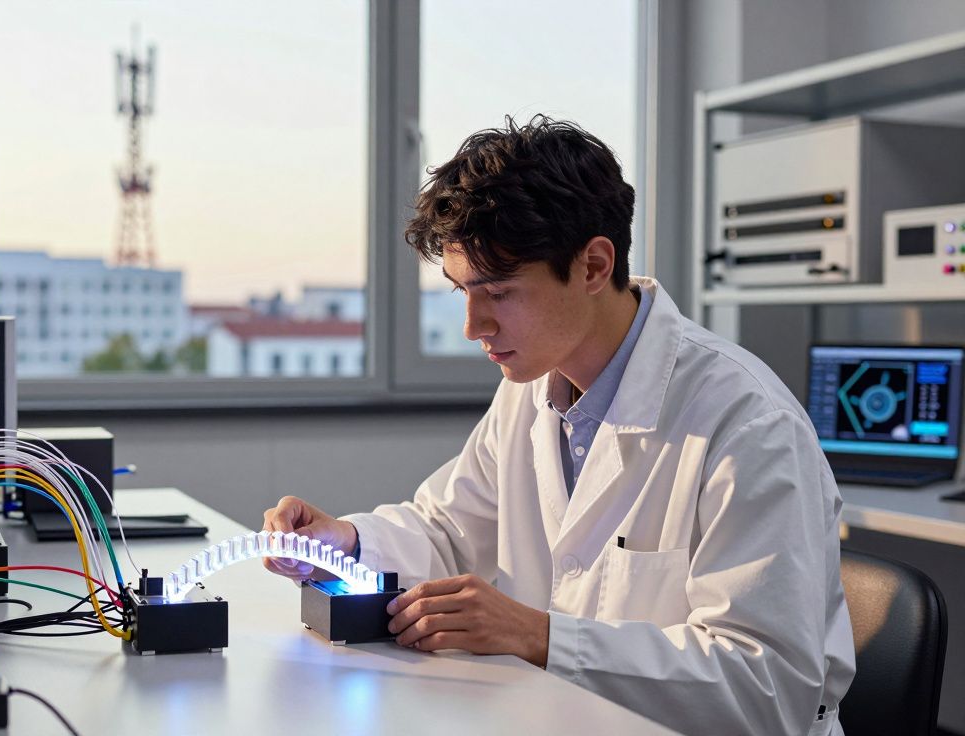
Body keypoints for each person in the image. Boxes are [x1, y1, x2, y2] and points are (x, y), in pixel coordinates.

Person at [262, 116, 855, 736]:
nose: (473, 326)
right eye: (462, 291)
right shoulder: (531, 389)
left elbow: (767, 687)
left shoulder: (748, 423)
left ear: (594, 265)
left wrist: (541, 637)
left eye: (499, 292)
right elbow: (450, 531)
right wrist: (347, 542)